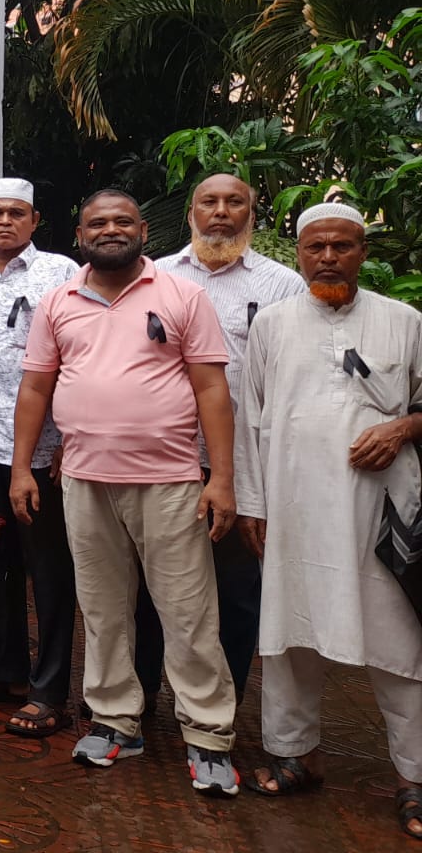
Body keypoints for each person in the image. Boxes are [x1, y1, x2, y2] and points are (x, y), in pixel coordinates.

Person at [11, 188, 240, 796]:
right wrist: (21, 469)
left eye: (121, 221)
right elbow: (35, 390)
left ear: (142, 229)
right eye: (96, 223)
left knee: (188, 613)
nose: (110, 230)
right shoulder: (59, 300)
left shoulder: (181, 295)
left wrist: (221, 477)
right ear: (78, 233)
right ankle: (115, 721)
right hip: (85, 481)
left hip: (169, 481)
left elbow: (213, 391)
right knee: (104, 610)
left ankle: (208, 735)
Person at [235, 202, 422, 839]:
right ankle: (295, 757)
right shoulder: (274, 325)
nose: (329, 257)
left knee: (399, 645)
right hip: (292, 509)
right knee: (288, 635)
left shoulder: (405, 321)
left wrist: (401, 428)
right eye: (316, 246)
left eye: (342, 246)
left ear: (363, 252)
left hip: (379, 513)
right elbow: (249, 420)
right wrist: (252, 502)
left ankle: (414, 779)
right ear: (299, 251)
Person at [138, 172, 306, 707]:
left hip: (243, 466)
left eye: (235, 202)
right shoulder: (152, 278)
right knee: (149, 593)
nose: (221, 211)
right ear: (191, 212)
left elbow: (292, 378)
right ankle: (138, 701)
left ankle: (222, 707)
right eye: (208, 201)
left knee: (236, 594)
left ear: (251, 214)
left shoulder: (283, 286)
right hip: (163, 462)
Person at [0, 179, 78, 736]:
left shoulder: (62, 274)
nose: (5, 221)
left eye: (16, 213)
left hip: (43, 451)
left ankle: (49, 689)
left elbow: (82, 355)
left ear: (34, 221)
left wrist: (73, 434)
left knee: (47, 573)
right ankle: (6, 672)